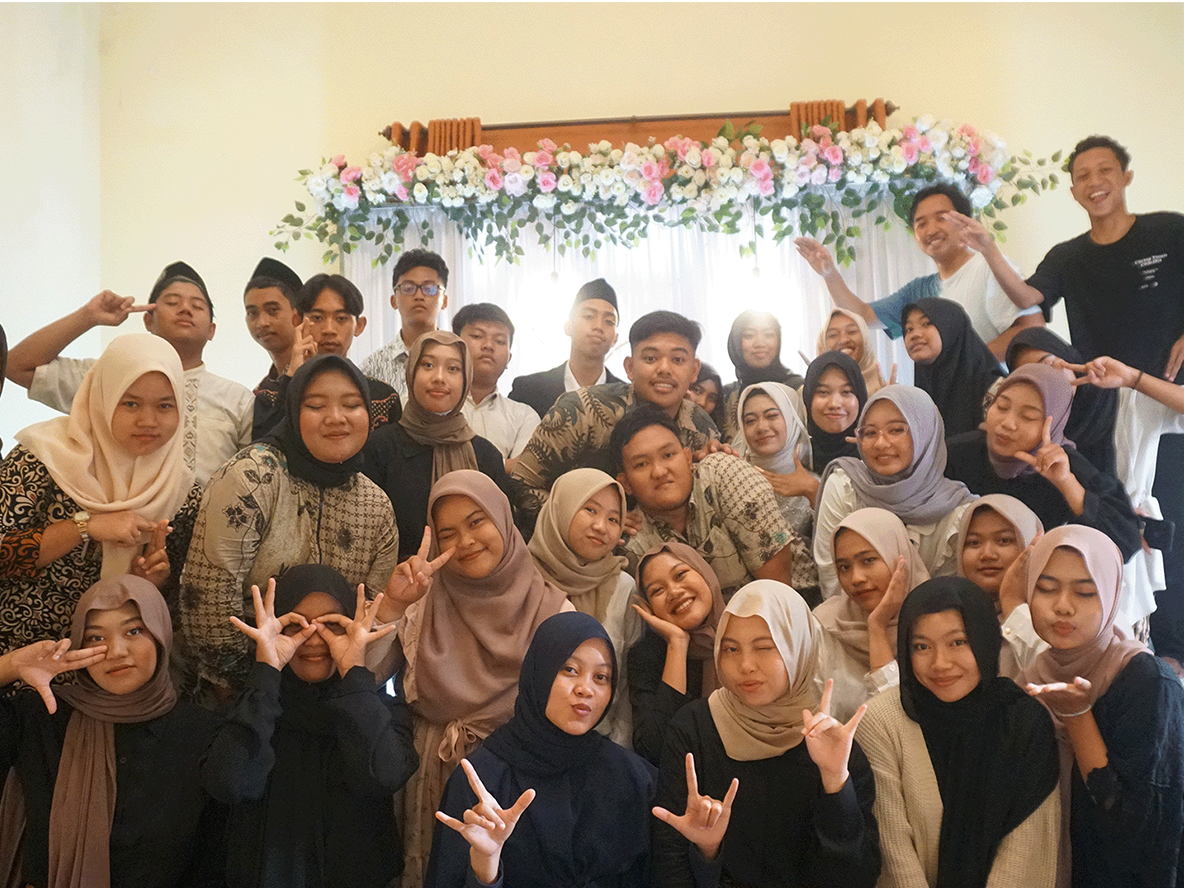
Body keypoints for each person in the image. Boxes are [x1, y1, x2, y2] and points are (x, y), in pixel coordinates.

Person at [947, 135, 1184, 662]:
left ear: (1125, 177)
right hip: (1094, 395)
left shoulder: (1169, 230)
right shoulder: (1068, 257)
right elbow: (1029, 297)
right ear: (1073, 191)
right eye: (1082, 176)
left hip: (1154, 395)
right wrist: (988, 249)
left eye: (1105, 171)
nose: (1094, 183)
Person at [365, 471, 572, 888]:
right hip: (428, 777)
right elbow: (366, 677)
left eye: (477, 522)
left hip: (515, 782)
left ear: (504, 520)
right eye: (448, 534)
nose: (466, 541)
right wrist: (392, 607)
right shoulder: (422, 602)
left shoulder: (554, 612)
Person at [179, 354, 399, 701]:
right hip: (243, 691)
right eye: (316, 406)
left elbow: (369, 612)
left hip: (336, 693)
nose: (336, 418)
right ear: (294, 411)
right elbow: (207, 602)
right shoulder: (253, 477)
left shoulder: (376, 504)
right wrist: (252, 692)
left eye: (352, 405)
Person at [650, 579, 880, 888]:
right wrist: (707, 851)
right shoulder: (694, 728)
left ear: (798, 648)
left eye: (764, 647)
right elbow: (669, 862)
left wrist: (835, 781)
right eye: (731, 649)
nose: (745, 665)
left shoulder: (833, 742)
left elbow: (858, 877)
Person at [0, 575, 224, 888]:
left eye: (134, 630)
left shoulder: (202, 732)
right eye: (95, 637)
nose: (116, 651)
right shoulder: (43, 715)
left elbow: (213, 863)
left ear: (160, 635)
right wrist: (10, 665)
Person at [202, 565, 418, 888]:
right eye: (295, 625)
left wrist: (354, 675)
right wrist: (267, 671)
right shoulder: (248, 708)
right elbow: (229, 784)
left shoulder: (379, 709)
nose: (314, 637)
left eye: (332, 624)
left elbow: (385, 776)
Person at [0, 334, 199, 653]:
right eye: (130, 403)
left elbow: (176, 610)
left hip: (111, 668)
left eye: (165, 406)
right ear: (103, 396)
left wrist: (150, 583)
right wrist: (85, 526)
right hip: (19, 659)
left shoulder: (182, 491)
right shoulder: (42, 458)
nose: (148, 421)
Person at [427, 611, 657, 888]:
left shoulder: (631, 776)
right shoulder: (482, 778)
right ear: (539, 672)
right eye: (570, 670)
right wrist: (486, 868)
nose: (586, 689)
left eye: (601, 677)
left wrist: (701, 849)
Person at [857, 576, 1060, 888]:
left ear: (984, 640)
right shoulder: (881, 722)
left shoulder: (1024, 722)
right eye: (922, 647)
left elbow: (1024, 854)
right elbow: (894, 855)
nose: (940, 663)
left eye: (958, 642)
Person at [1018, 525, 1184, 888]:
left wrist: (1077, 715)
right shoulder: (1028, 680)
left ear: (1111, 595)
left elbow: (1144, 832)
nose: (1063, 606)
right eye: (1046, 588)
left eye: (1085, 592)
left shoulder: (1148, 682)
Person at [4, 261, 254, 486]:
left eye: (197, 306)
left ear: (211, 330)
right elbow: (15, 365)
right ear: (148, 321)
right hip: (111, 518)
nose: (185, 309)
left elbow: (250, 479)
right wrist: (88, 316)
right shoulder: (104, 378)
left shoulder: (238, 399)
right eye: (172, 303)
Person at [512, 310, 718, 533]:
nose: (664, 369)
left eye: (678, 360)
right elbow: (521, 483)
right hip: (569, 542)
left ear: (694, 370)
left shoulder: (701, 427)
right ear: (629, 367)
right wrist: (588, 517)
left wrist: (715, 462)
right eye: (650, 358)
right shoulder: (581, 411)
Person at [796, 182, 1043, 360]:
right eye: (921, 223)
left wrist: (965, 362)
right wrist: (829, 273)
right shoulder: (920, 291)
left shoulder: (990, 266)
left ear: (965, 221)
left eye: (941, 218)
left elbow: (1032, 329)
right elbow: (862, 315)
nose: (931, 230)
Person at [943, 363, 1141, 564]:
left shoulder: (1066, 465)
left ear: (1055, 424)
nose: (1007, 423)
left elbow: (1125, 544)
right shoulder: (958, 453)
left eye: (1028, 417)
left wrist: (1066, 483)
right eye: (1001, 407)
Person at [613, 407, 815, 601]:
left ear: (687, 458)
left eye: (668, 455)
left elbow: (778, 589)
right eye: (641, 464)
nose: (659, 471)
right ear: (626, 483)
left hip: (798, 600)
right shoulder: (631, 542)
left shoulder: (724, 474)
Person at [1067, 351, 1184, 655]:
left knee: (1125, 647)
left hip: (1127, 537)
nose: (1055, 370)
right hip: (1066, 540)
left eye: (1054, 360)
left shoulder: (1126, 401)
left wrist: (1133, 378)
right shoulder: (1029, 409)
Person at [814, 385, 975, 600]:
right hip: (850, 617)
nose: (880, 443)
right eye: (870, 433)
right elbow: (831, 579)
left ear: (925, 432)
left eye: (896, 430)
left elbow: (951, 596)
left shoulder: (956, 510)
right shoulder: (846, 485)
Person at [362, 330, 509, 561]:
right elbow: (366, 537)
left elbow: (503, 533)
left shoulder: (485, 455)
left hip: (474, 576)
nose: (439, 377)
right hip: (397, 578)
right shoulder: (379, 448)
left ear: (466, 380)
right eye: (428, 365)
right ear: (411, 372)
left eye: (453, 369)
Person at [527, 468, 639, 745]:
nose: (601, 526)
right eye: (590, 510)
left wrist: (617, 751)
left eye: (613, 519)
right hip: (527, 740)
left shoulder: (624, 587)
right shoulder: (523, 578)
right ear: (561, 508)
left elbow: (626, 683)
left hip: (599, 744)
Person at [815, 508, 931, 722]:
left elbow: (900, 720)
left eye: (868, 560)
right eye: (844, 567)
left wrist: (876, 628)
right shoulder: (824, 626)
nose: (856, 578)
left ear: (899, 556)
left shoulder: (937, 622)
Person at [253, 273, 402, 439]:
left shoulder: (383, 396)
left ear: (359, 326)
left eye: (341, 318)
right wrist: (292, 378)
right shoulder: (270, 395)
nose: (329, 329)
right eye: (317, 318)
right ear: (297, 321)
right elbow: (264, 446)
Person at [627, 543, 727, 766]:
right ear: (649, 607)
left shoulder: (743, 629)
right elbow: (653, 749)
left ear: (705, 573)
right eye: (657, 591)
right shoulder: (646, 656)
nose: (674, 592)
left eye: (680, 574)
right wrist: (677, 644)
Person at [1006, 327, 1118, 477]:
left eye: (1049, 365)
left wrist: (1133, 379)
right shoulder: (1040, 434)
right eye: (1034, 378)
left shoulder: (1117, 398)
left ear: (1067, 357)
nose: (1048, 380)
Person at [956, 494, 1047, 677]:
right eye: (974, 542)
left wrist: (1013, 606)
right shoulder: (949, 617)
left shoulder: (1054, 615)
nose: (987, 554)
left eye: (1004, 541)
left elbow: (1054, 676)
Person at [508, 278, 623, 418]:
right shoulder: (528, 391)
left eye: (609, 322)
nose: (598, 326)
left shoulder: (628, 399)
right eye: (589, 316)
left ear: (615, 338)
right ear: (568, 327)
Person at [453, 302, 541, 473]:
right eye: (477, 336)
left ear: (509, 358)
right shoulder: (429, 401)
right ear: (455, 346)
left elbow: (524, 470)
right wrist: (505, 465)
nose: (488, 345)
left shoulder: (523, 416)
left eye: (499, 341)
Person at [903, 297, 1004, 438]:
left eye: (926, 323)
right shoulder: (918, 394)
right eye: (909, 329)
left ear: (951, 327)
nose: (914, 335)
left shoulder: (996, 390)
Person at [361, 248, 450, 402]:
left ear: (444, 301)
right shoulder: (372, 368)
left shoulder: (457, 361)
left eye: (429, 289)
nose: (419, 296)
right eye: (408, 288)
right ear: (393, 301)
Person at [735, 382, 817, 536]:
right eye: (750, 421)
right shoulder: (734, 479)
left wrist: (813, 494)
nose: (761, 427)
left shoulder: (813, 485)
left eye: (772, 416)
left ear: (793, 419)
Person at [717, 310, 805, 441]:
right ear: (736, 341)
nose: (760, 343)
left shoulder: (798, 389)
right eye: (749, 335)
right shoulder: (724, 397)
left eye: (769, 335)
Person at [802, 350, 868, 474]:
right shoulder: (795, 455)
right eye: (823, 392)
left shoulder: (877, 453)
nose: (834, 404)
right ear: (808, 398)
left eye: (846, 392)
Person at [243, 256, 303, 388]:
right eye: (252, 313)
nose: (262, 323)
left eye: (272, 310)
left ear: (298, 315)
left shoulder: (321, 377)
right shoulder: (263, 390)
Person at [816, 308, 887, 395]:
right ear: (823, 344)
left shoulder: (887, 392)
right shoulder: (810, 394)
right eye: (833, 335)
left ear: (865, 338)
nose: (843, 340)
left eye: (852, 331)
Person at [686, 362, 727, 431]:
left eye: (712, 398)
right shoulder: (666, 425)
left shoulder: (712, 435)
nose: (702, 403)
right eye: (697, 390)